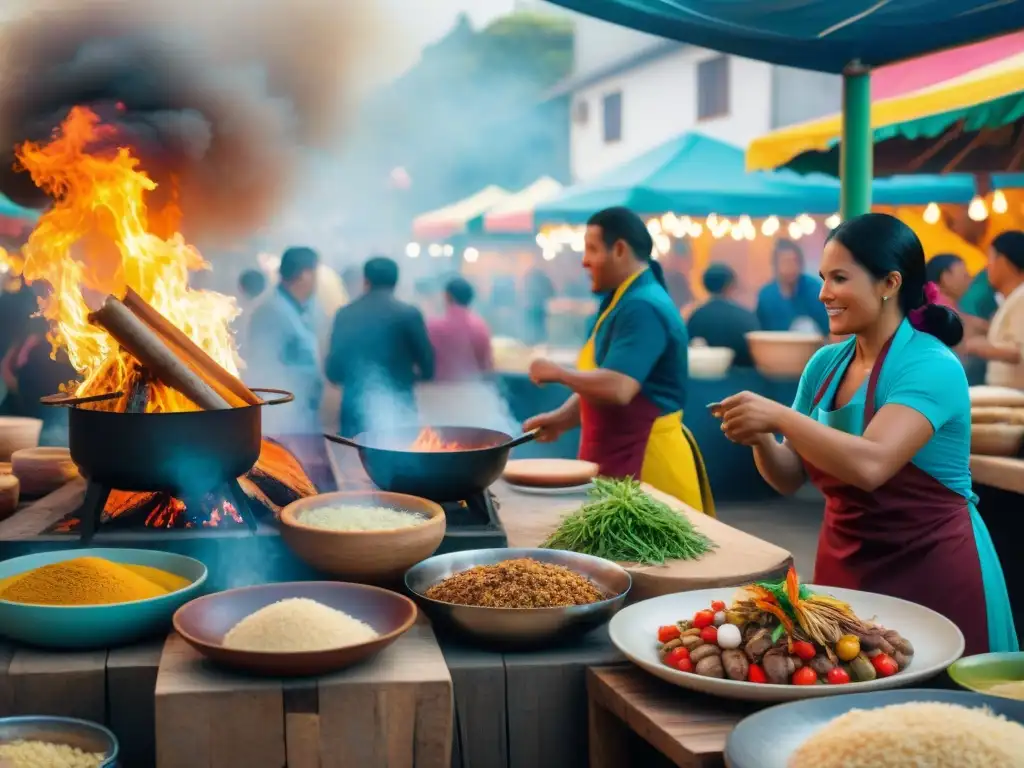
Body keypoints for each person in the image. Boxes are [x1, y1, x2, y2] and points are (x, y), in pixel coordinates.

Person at [716, 212, 1016, 655]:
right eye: (822, 277)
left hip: (933, 571)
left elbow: (872, 464)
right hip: (847, 569)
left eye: (839, 278)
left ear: (889, 283)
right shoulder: (825, 366)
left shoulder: (929, 365)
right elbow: (787, 475)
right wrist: (759, 435)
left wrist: (779, 417)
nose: (823, 293)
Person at [524, 206, 715, 515]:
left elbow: (619, 387)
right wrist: (561, 418)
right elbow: (605, 380)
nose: (584, 261)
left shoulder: (642, 306)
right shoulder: (623, 299)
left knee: (646, 562)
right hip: (617, 464)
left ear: (620, 249)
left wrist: (560, 373)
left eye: (592, 249)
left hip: (647, 466)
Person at [325, 256, 434, 437]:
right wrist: (405, 378)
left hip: (354, 410)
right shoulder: (409, 314)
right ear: (396, 282)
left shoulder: (345, 315)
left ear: (365, 281)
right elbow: (428, 367)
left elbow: (333, 371)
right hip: (400, 408)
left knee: (354, 461)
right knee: (401, 458)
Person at [244, 247, 323, 436]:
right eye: (315, 274)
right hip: (282, 420)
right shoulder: (271, 310)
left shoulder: (294, 307)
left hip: (300, 413)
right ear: (305, 275)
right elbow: (264, 369)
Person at [964, 231, 1024, 390]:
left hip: (1015, 398)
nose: (987, 266)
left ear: (1003, 261)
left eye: (990, 258)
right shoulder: (1013, 298)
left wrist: (978, 346)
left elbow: (1018, 351)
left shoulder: (1022, 296)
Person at [686, 263, 759, 367]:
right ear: (731, 285)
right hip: (742, 380)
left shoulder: (695, 317)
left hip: (704, 379)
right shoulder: (745, 318)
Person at [755, 239, 830, 334]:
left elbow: (828, 329)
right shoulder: (766, 296)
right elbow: (760, 332)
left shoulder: (814, 290)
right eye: (785, 262)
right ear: (775, 266)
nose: (790, 267)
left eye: (794, 261)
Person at [427, 276, 493, 382]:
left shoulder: (433, 326)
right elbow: (486, 365)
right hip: (471, 389)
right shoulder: (480, 327)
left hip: (438, 389)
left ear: (447, 296)